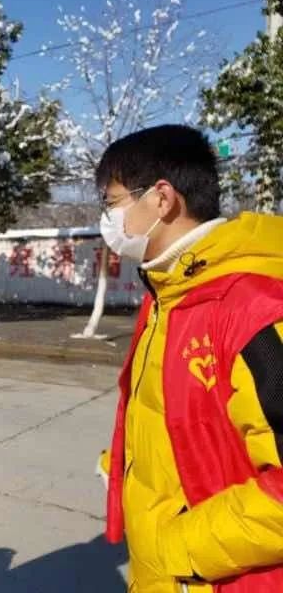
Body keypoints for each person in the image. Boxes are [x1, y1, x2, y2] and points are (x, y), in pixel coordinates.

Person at [96, 124, 283, 592]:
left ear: (162, 199)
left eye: (112, 203)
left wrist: (174, 547)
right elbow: (175, 419)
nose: (108, 220)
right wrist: (123, 466)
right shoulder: (168, 295)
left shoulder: (255, 310)